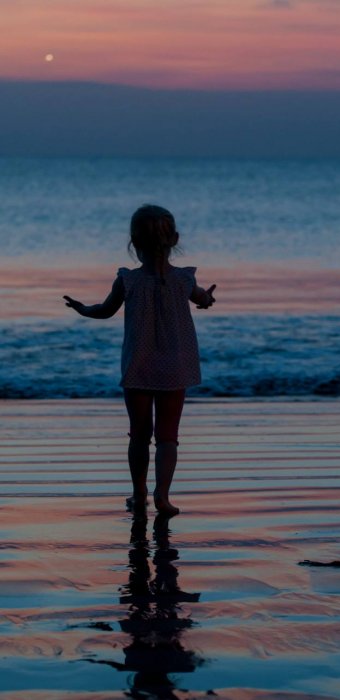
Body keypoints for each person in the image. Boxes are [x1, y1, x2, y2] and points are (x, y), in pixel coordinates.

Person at [64, 204, 216, 516]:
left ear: (133, 242)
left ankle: (138, 493)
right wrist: (208, 299)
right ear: (175, 239)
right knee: (168, 437)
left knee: (139, 435)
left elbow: (105, 310)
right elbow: (203, 298)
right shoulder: (184, 280)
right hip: (175, 366)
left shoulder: (128, 281)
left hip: (139, 366)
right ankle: (163, 496)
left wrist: (82, 309)